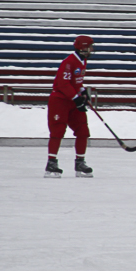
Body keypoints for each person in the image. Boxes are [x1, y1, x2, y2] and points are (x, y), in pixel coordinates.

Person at [45, 34, 95, 178]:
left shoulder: (82, 61)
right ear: (83, 48)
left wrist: (82, 91)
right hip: (60, 101)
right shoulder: (68, 62)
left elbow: (75, 82)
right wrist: (76, 98)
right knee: (58, 131)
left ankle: (80, 162)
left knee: (83, 130)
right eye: (90, 47)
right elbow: (63, 84)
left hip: (73, 99)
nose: (92, 49)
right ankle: (51, 162)